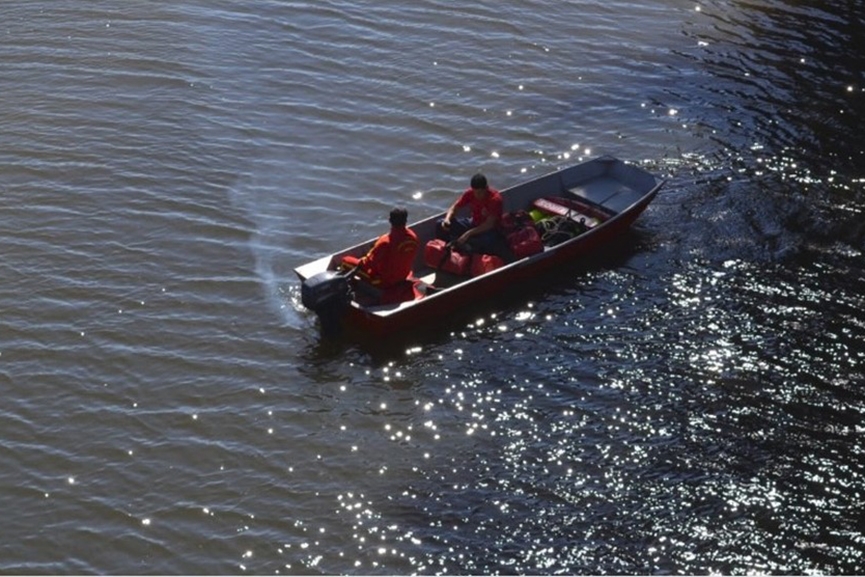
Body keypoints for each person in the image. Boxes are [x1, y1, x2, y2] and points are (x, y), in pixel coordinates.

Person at [341, 207, 419, 303]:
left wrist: (362, 259)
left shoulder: (384, 242)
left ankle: (351, 290)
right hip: (403, 276)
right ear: (406, 220)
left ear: (390, 220)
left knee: (345, 261)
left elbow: (366, 264)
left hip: (384, 281)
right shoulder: (413, 237)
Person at [437, 172, 511, 259]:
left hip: (489, 231)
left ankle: (467, 251)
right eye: (475, 192)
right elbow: (455, 207)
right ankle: (447, 252)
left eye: (480, 193)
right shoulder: (470, 193)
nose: (477, 195)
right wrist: (447, 219)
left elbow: (489, 224)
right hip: (473, 223)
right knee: (440, 224)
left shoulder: (495, 199)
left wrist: (468, 234)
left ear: (486, 188)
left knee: (483, 242)